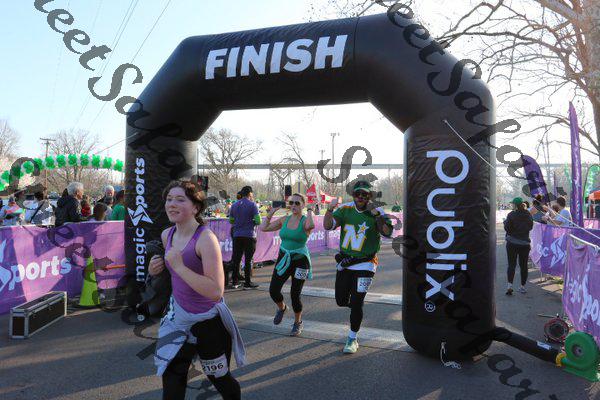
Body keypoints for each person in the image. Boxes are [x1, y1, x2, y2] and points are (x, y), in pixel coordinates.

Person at [148, 180, 245, 400]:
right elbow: (173, 276)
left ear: (195, 207)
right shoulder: (167, 235)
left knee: (220, 381)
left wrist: (180, 267)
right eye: (169, 199)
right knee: (172, 382)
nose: (172, 204)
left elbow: (216, 291)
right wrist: (155, 270)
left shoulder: (206, 239)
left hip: (208, 323)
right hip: (177, 319)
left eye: (180, 200)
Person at [324, 180, 392, 354]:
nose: (361, 197)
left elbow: (387, 233)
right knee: (341, 300)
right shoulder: (345, 209)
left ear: (370, 196)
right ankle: (356, 306)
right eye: (357, 194)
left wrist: (377, 216)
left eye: (365, 194)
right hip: (346, 262)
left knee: (356, 303)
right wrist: (329, 209)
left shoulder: (377, 211)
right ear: (353, 195)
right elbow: (327, 226)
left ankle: (352, 338)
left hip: (366, 263)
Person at [260, 193, 315, 336]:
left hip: (300, 261)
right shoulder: (285, 219)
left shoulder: (305, 221)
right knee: (273, 290)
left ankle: (297, 322)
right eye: (291, 203)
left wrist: (310, 210)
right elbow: (264, 228)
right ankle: (282, 307)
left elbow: (311, 225)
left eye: (297, 203)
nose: (294, 206)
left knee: (295, 294)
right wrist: (270, 214)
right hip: (284, 258)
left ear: (303, 205)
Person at [228, 186, 261, 289]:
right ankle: (247, 282)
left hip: (237, 235)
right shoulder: (253, 205)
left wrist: (239, 221)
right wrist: (251, 221)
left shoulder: (234, 205)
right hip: (249, 235)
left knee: (236, 259)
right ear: (250, 194)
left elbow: (231, 220)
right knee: (248, 260)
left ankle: (235, 282)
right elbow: (258, 221)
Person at [504, 197, 533, 295]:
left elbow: (507, 229)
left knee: (511, 265)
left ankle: (509, 286)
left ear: (515, 205)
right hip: (525, 243)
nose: (512, 205)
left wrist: (505, 223)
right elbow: (530, 227)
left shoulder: (511, 215)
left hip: (512, 243)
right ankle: (522, 287)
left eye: (512, 204)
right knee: (523, 266)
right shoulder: (528, 214)